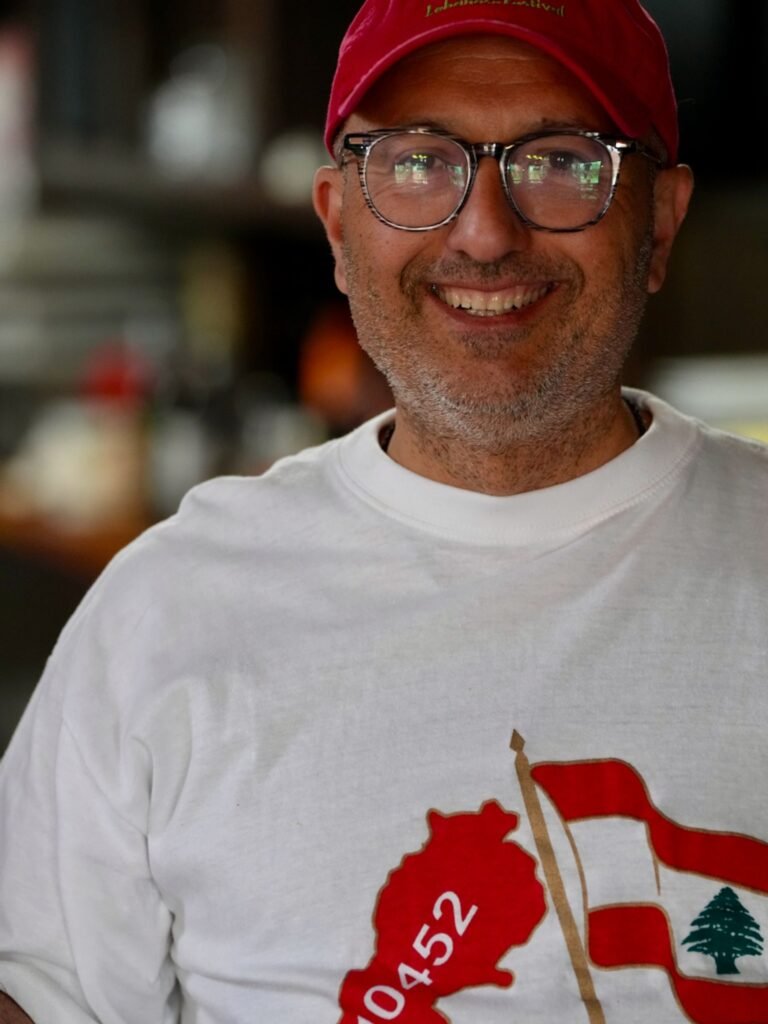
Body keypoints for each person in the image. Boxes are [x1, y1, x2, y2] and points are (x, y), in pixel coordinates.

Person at [1, 0, 766, 1021]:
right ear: (336, 222)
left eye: (561, 161)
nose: (487, 233)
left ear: (661, 221)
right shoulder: (168, 610)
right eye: (417, 163)